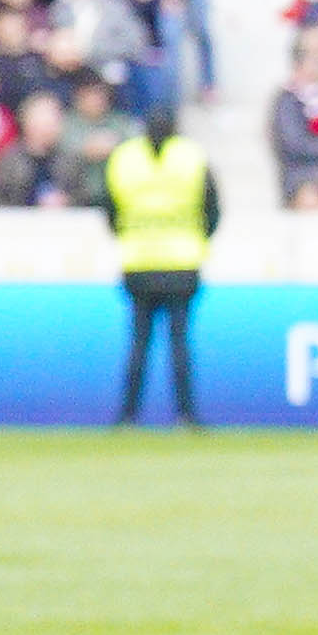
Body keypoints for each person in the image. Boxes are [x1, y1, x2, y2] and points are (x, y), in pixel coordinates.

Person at [104, 113, 214, 427]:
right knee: (179, 344)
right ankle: (186, 414)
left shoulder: (125, 159)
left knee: (139, 344)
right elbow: (212, 208)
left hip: (138, 262)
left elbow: (109, 207)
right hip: (182, 262)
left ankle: (128, 415)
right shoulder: (191, 157)